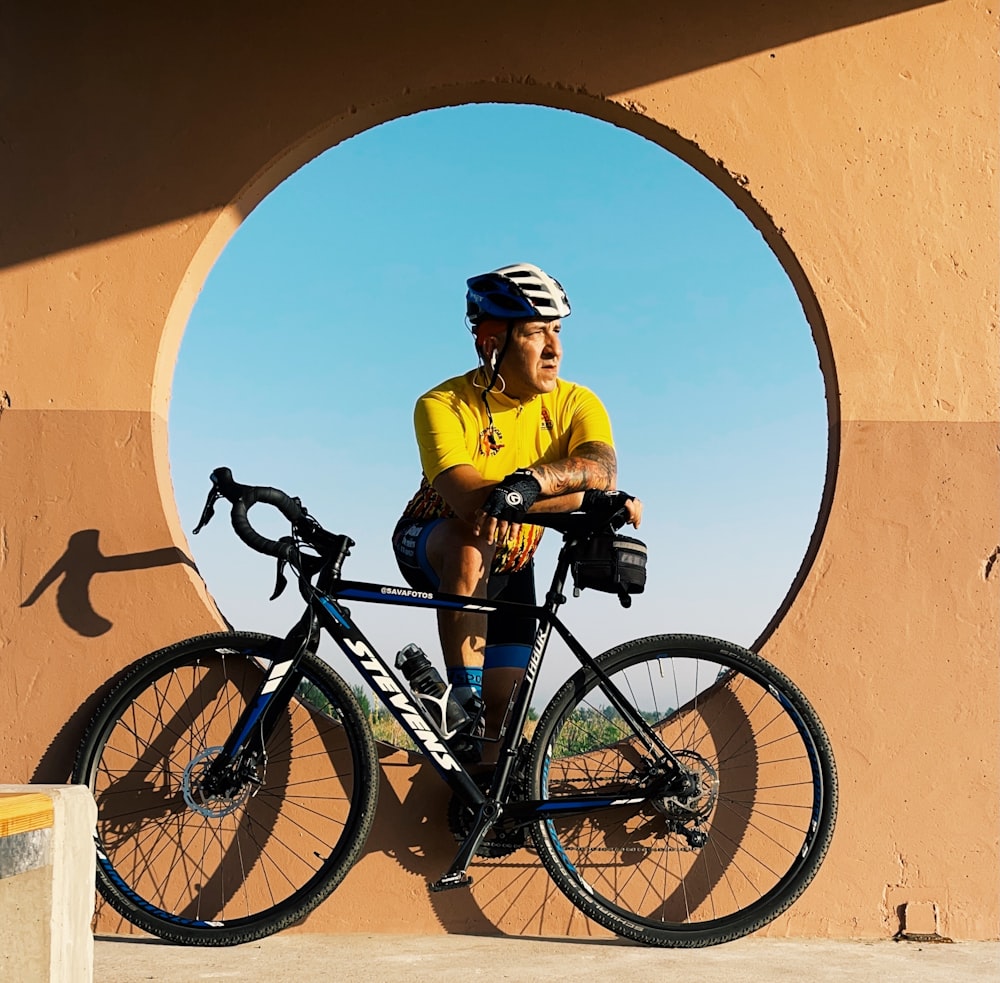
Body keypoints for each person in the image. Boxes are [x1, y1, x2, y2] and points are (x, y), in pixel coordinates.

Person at [392, 262, 642, 765]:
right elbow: (471, 500)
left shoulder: (577, 402)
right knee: (470, 540)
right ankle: (458, 702)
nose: (555, 349)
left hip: (515, 561)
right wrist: (575, 496)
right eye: (535, 333)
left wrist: (529, 486)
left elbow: (600, 469)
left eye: (557, 330)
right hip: (434, 539)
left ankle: (483, 810)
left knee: (503, 718)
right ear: (490, 341)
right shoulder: (441, 404)